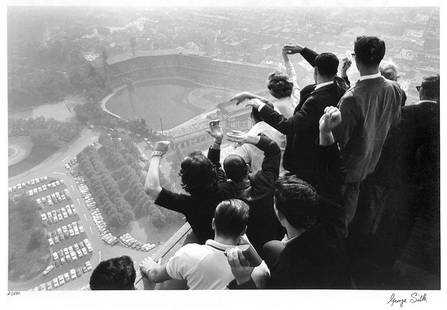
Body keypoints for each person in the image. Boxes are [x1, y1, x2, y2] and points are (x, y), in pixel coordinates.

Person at [226, 107, 351, 289]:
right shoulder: (334, 226)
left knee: (271, 246)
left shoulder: (287, 264)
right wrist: (325, 132)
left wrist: (243, 279)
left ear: (280, 215)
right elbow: (332, 177)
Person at [230, 52, 347, 186]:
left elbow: (284, 122)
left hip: (304, 157)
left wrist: (252, 98)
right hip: (322, 150)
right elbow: (292, 78)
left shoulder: (311, 100)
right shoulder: (333, 88)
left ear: (316, 70)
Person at [333, 36, 405, 229]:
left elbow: (338, 141)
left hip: (347, 173)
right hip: (371, 164)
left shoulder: (352, 98)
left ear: (356, 59)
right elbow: (395, 121)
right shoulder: (395, 89)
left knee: (339, 220)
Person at [139, 199, 269, 290]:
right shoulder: (255, 270)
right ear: (244, 231)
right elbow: (264, 273)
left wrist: (148, 265)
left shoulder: (188, 253)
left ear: (213, 223)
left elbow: (156, 276)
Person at [144, 122, 228, 245]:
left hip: (209, 248)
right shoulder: (223, 186)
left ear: (186, 180)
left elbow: (151, 188)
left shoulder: (189, 204)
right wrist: (218, 141)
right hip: (230, 241)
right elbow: (213, 163)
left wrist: (157, 153)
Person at [217, 127, 285, 256]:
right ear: (248, 168)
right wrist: (248, 138)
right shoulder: (266, 181)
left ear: (228, 177)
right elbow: (273, 150)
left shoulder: (227, 195)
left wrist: (217, 142)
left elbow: (214, 174)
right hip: (279, 236)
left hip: (254, 248)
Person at [230, 101, 285, 174]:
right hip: (291, 178)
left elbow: (237, 167)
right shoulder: (285, 132)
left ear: (251, 116)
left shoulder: (244, 140)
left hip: (264, 182)